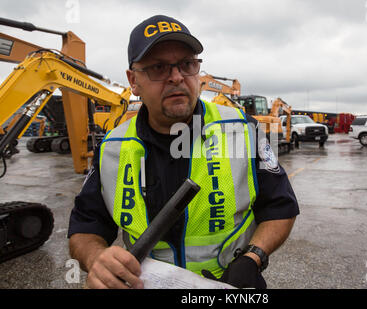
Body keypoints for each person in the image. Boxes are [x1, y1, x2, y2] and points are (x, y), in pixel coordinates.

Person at [68, 15, 299, 289]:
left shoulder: (242, 130)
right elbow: (85, 227)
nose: (176, 77)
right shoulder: (111, 149)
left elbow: (280, 207)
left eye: (187, 64)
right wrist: (96, 259)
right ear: (133, 80)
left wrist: (254, 257)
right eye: (158, 67)